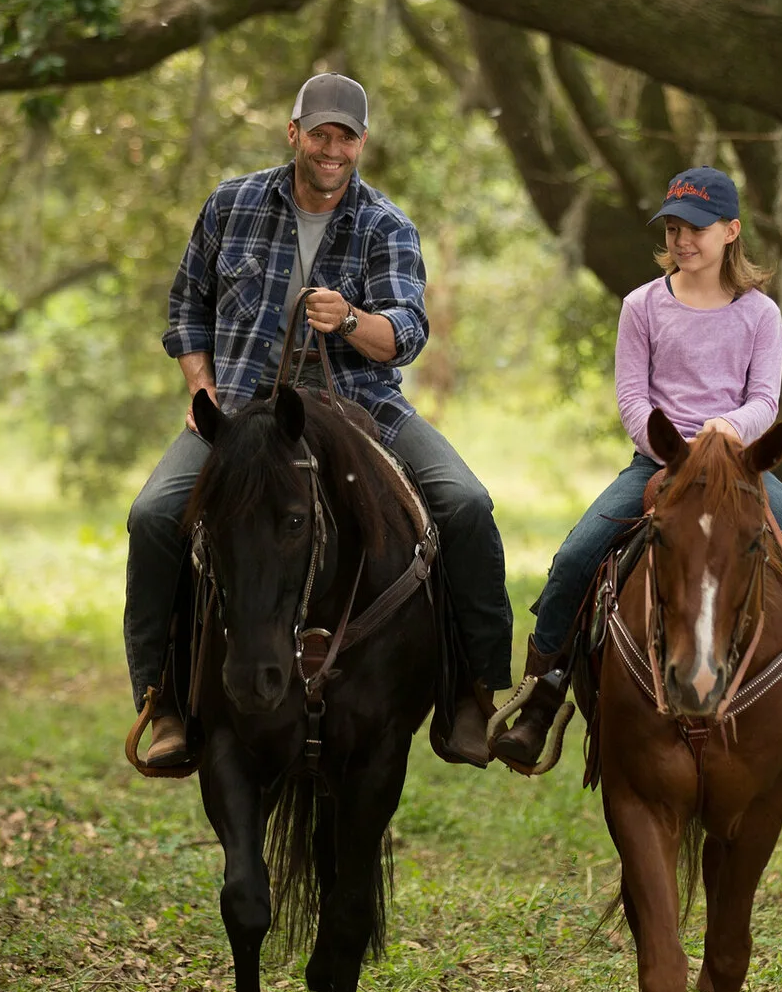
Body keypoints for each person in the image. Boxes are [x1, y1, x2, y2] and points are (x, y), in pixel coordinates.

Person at [124, 73, 510, 769]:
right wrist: (201, 388)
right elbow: (187, 309)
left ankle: (471, 694)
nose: (333, 149)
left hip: (362, 408)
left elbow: (407, 333)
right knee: (153, 515)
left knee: (466, 503)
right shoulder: (232, 203)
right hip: (242, 408)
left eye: (347, 137)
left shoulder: (386, 224)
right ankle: (164, 703)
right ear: (294, 132)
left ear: (362, 144)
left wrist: (352, 320)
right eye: (321, 133)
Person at [491, 166, 782, 775]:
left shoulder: (759, 314)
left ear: (731, 231)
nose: (682, 239)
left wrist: (731, 432)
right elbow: (634, 400)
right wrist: (675, 450)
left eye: (695, 227)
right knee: (576, 555)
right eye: (673, 227)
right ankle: (543, 695)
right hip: (660, 464)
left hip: (737, 471)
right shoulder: (642, 305)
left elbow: (764, 399)